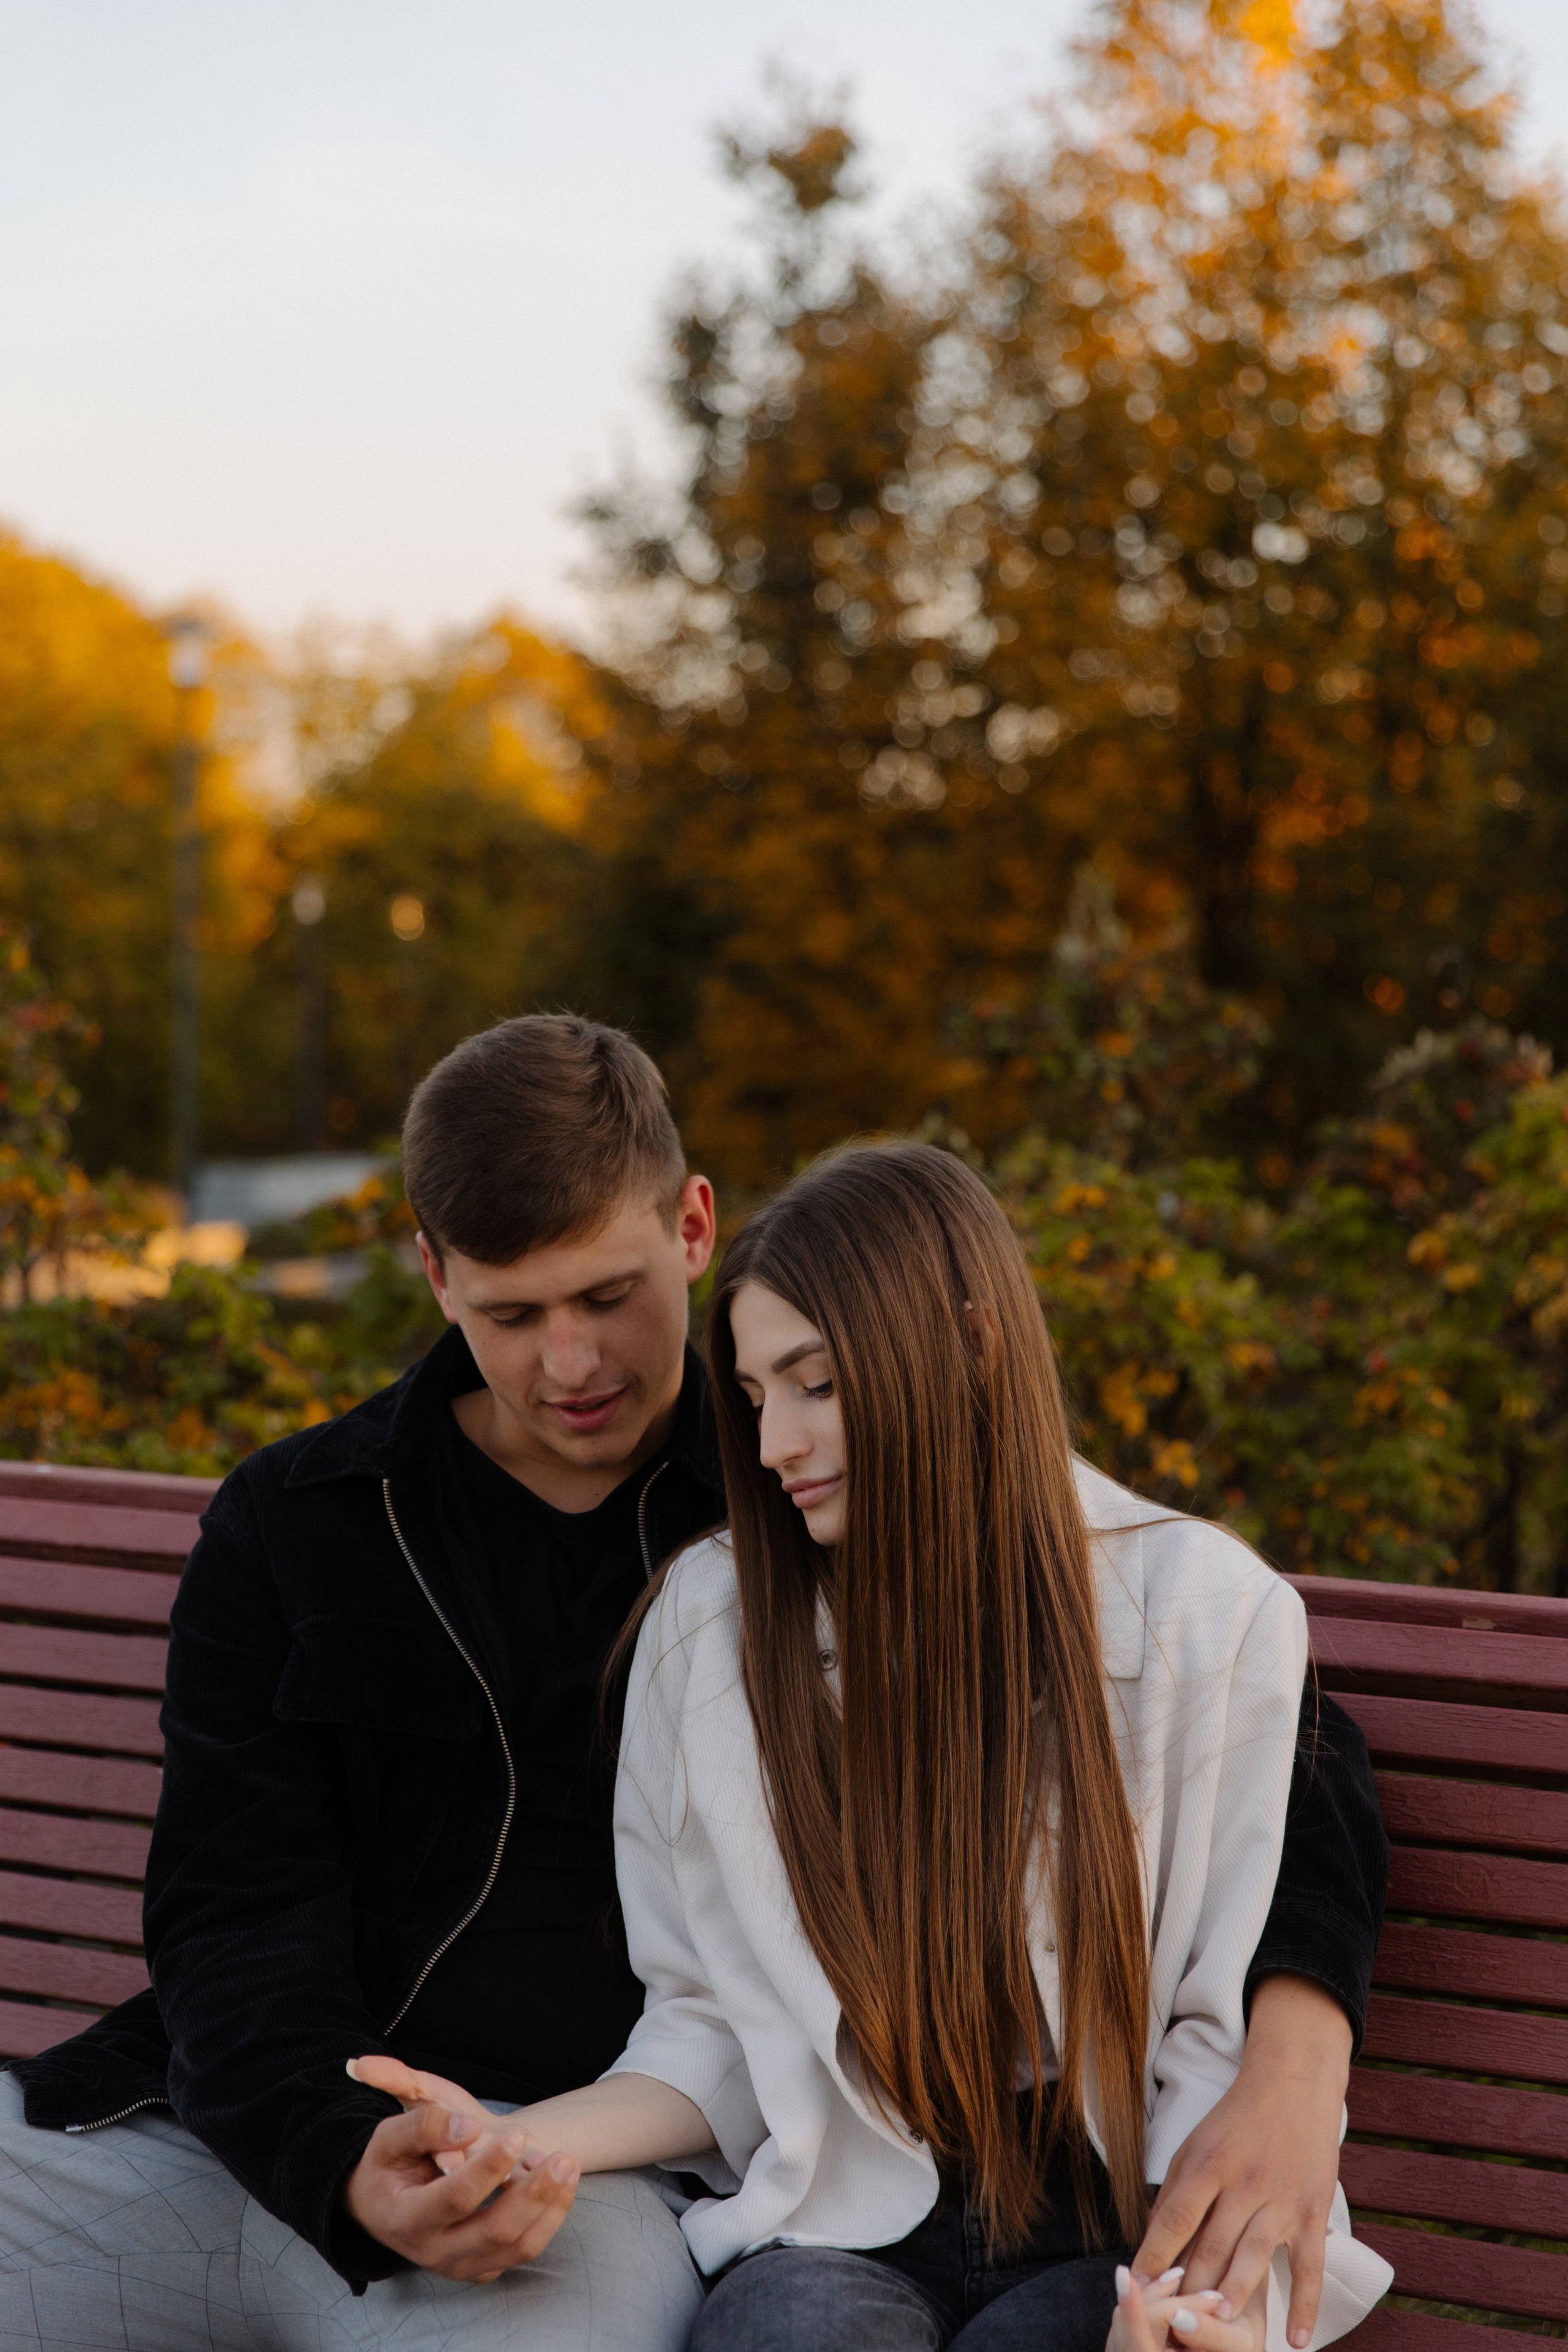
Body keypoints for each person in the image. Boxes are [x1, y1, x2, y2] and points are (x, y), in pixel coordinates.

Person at [0, 1022, 1384, 2352]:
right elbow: (230, 1914)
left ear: (692, 1228)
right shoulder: (309, 1522)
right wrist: (342, 2150)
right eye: (511, 1313)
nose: (573, 1363)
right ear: (432, 1273)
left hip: (595, 2191)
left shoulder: (804, 1501)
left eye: (608, 1297)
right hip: (283, 2134)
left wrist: (1294, 2058)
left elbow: (1271, 1745)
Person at [355, 1142, 1392, 2352]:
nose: (773, 1443)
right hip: (842, 2220)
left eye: (815, 1383)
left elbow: (1218, 2034)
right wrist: (520, 2138)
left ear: (966, 1343)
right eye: (751, 1398)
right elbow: (710, 2031)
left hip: (1106, 2223)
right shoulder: (711, 1628)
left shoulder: (1201, 1614)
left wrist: (1196, 2301)